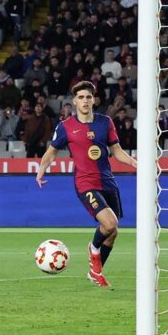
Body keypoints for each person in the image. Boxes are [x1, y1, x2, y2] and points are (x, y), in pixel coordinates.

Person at [35, 81, 137, 287]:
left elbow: (116, 151)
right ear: (75, 101)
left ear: (93, 100)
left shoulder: (105, 122)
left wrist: (135, 163)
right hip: (85, 182)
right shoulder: (65, 126)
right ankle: (93, 248)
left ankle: (95, 272)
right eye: (81, 97)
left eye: (88, 97)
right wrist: (41, 169)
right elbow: (52, 151)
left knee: (112, 232)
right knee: (109, 224)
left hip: (108, 182)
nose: (85, 101)